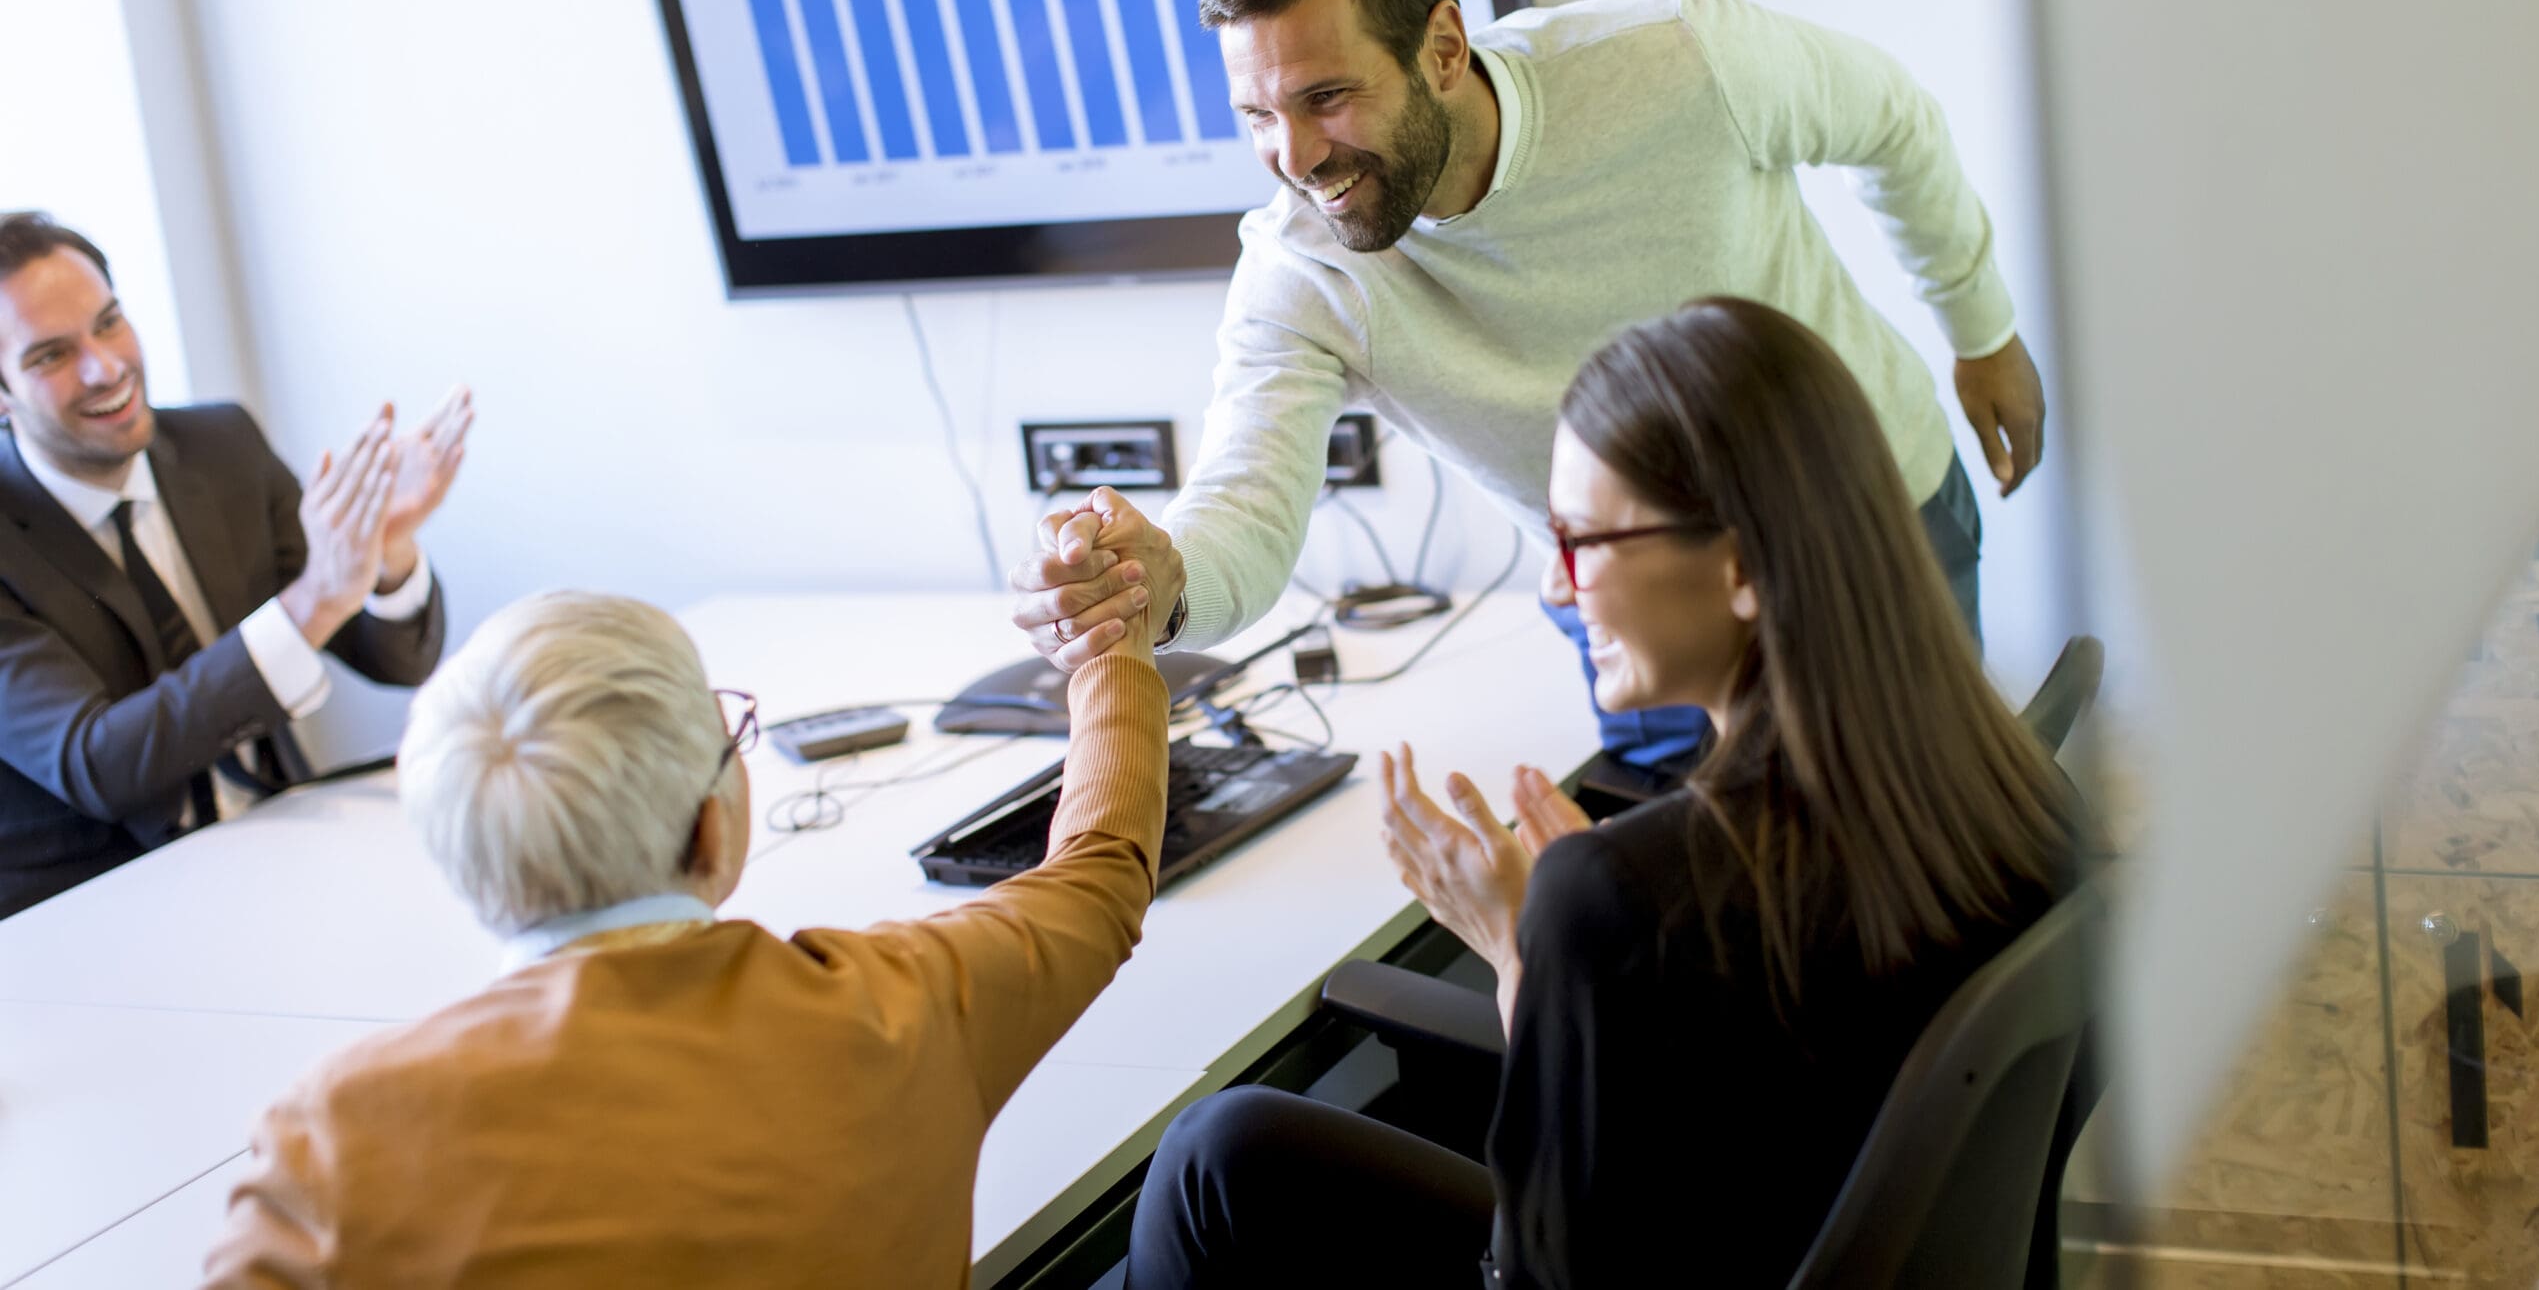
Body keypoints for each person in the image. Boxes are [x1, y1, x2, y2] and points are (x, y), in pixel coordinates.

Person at [1124, 299, 2080, 1289]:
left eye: (1581, 541)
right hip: (1772, 1229)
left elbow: (1542, 1275)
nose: (1557, 586)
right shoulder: (2021, 794)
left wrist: (1526, 958)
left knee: (1209, 1158)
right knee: (1230, 1152)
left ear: (1740, 565)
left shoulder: (1623, 898)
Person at [1012, 0, 2046, 776]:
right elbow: (1245, 506)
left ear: (1443, 49)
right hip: (1632, 610)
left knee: (1923, 860)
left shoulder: (1680, 58)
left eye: (1326, 97)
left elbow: (1893, 119)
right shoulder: (1301, 273)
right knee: (1702, 911)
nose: (1295, 156)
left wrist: (1983, 329)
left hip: (1860, 521)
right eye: (1256, 115)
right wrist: (1161, 583)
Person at [199, 568, 1167, 1288]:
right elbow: (1100, 877)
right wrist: (1110, 652)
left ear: (464, 861)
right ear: (711, 827)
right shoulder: (908, 1004)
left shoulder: (336, 1140)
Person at [0, 212, 467, 917]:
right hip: (98, 907)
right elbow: (98, 763)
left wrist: (387, 554)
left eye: (109, 322)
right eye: (50, 356)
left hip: (282, 844)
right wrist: (313, 602)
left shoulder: (222, 444)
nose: (106, 367)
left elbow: (395, 660)